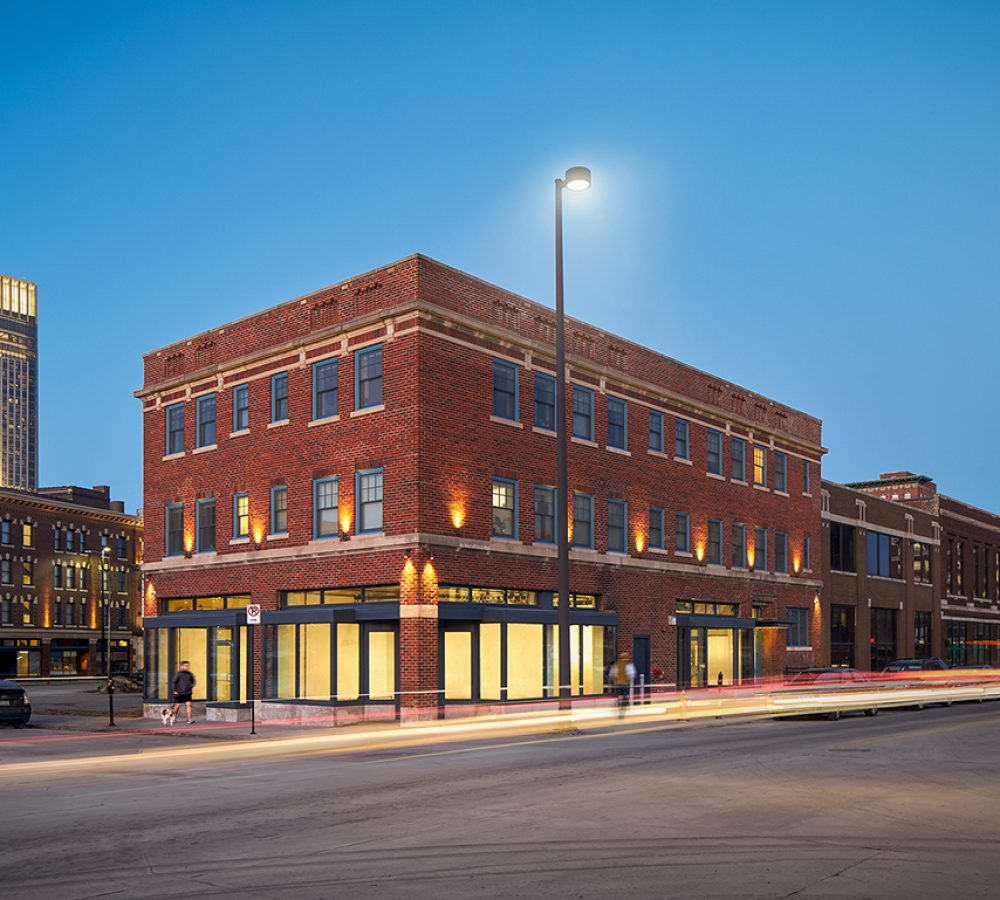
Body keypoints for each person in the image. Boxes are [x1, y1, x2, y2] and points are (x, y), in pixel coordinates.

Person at [170, 661, 196, 725]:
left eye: (188, 665)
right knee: (178, 706)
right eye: (185, 665)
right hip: (179, 693)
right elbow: (174, 682)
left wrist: (190, 686)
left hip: (188, 692)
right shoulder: (178, 674)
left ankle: (189, 719)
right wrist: (175, 691)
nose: (187, 667)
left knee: (189, 705)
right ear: (182, 666)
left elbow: (193, 681)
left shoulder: (190, 674)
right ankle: (174, 717)